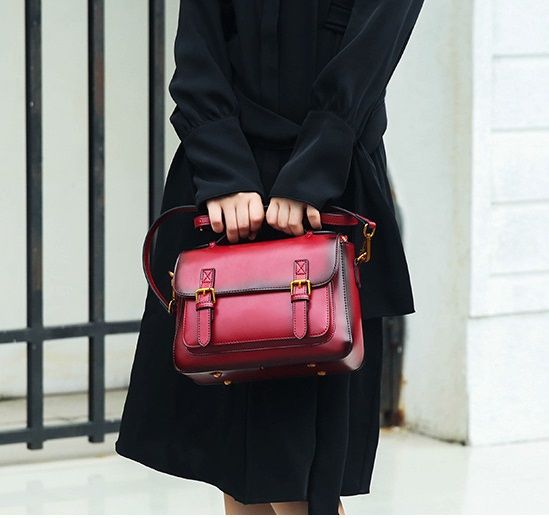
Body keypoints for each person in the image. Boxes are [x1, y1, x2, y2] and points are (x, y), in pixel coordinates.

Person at [114, 0, 424, 514]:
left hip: (324, 195)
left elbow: (369, 54)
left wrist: (308, 178)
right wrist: (224, 171)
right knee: (233, 463)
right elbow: (199, 45)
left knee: (296, 471)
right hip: (221, 193)